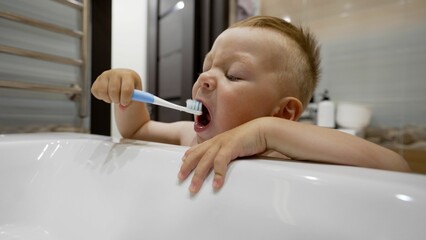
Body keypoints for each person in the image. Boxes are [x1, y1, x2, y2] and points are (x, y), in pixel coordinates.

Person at [91, 16, 410, 193]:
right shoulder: (190, 134)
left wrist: (267, 132)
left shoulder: (283, 153)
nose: (206, 79)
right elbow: (138, 130)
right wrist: (129, 88)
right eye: (207, 67)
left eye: (233, 74)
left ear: (284, 114)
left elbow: (396, 167)